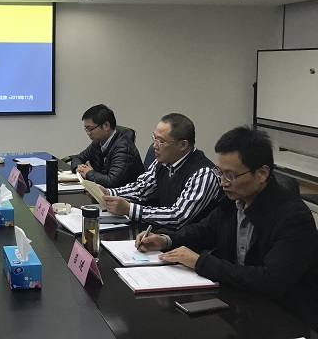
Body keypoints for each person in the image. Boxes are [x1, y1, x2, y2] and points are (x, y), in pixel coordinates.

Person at [136, 126, 318, 332]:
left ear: (262, 173)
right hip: (241, 306)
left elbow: (269, 280)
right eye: (219, 172)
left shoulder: (293, 217)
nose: (223, 183)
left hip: (285, 319)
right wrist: (165, 239)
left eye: (230, 175)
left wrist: (200, 262)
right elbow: (204, 230)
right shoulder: (234, 200)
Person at [100, 113, 221, 229]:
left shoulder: (203, 174)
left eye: (161, 141)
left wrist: (130, 209)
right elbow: (141, 189)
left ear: (183, 145)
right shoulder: (164, 161)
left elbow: (178, 216)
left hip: (191, 240)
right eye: (154, 138)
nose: (155, 145)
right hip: (163, 234)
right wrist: (108, 193)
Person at [71, 104, 144, 188]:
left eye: (90, 129)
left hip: (126, 194)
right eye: (86, 129)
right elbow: (78, 158)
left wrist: (88, 173)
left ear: (106, 126)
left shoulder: (123, 148)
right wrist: (79, 168)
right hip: (104, 192)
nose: (88, 133)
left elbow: (112, 182)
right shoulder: (97, 142)